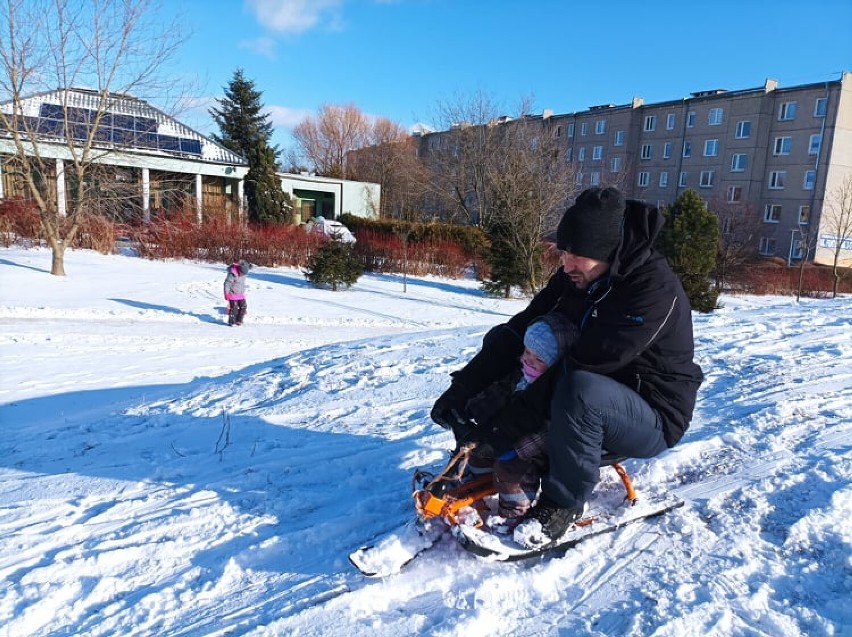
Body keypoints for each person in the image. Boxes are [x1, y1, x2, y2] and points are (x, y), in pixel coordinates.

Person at [431, 186, 703, 548]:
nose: (566, 264)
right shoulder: (576, 277)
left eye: (577, 256)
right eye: (564, 253)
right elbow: (519, 330)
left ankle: (562, 503)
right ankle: (478, 463)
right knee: (529, 346)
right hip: (586, 393)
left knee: (580, 390)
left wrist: (505, 428)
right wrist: (463, 390)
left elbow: (583, 366)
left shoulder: (652, 291)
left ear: (609, 252)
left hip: (651, 413)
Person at [460, 313, 578, 533]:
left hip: (540, 450)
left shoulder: (559, 391)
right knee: (478, 451)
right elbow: (500, 393)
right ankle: (478, 483)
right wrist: (474, 405)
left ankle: (514, 512)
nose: (528, 360)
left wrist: (515, 449)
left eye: (539, 358)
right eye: (526, 351)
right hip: (509, 436)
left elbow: (548, 430)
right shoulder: (524, 374)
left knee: (511, 471)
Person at [224, 260, 251, 326]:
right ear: (239, 270)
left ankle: (239, 320)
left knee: (243, 306)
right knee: (234, 308)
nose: (243, 275)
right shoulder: (232, 274)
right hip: (232, 294)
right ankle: (232, 322)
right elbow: (227, 284)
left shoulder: (244, 272)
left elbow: (247, 266)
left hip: (241, 294)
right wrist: (226, 293)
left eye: (244, 274)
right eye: (242, 273)